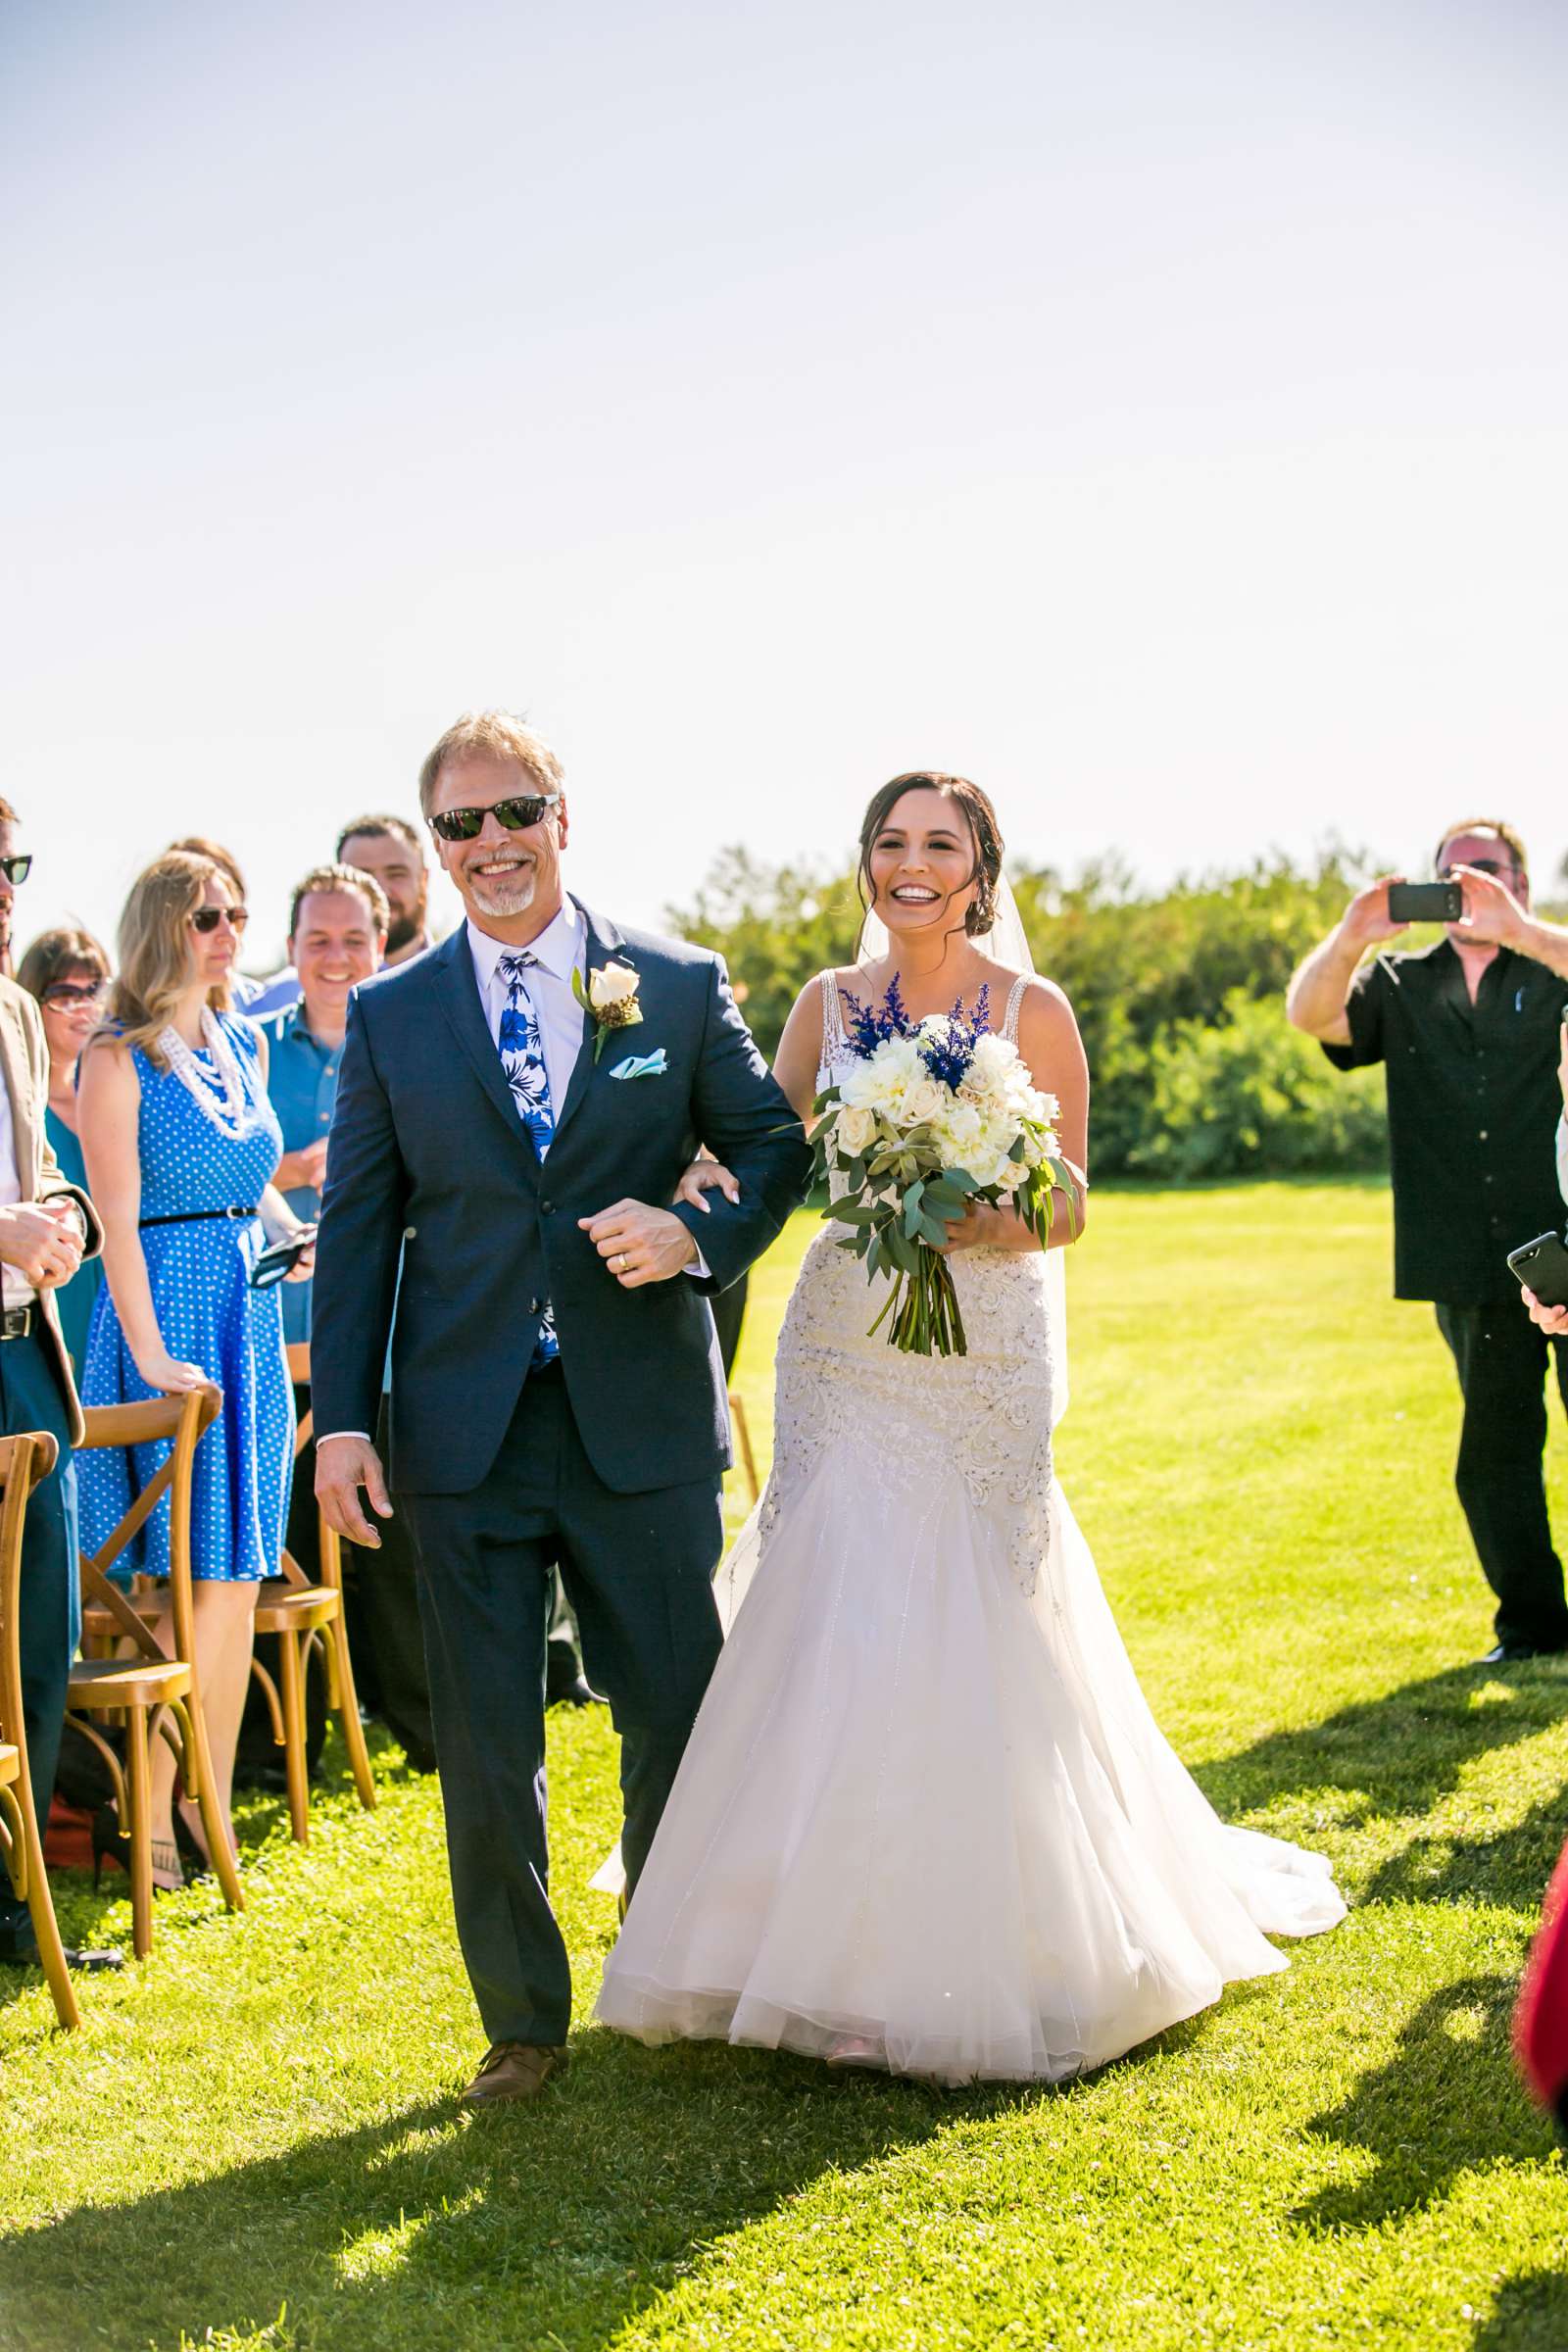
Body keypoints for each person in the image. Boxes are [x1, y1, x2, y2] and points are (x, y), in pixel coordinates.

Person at [597, 772, 1346, 2087]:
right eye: (890, 843)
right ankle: (806, 1945)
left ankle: (993, 1935)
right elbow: (773, 1155)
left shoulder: (1030, 1010)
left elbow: (1067, 1204)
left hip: (984, 1334)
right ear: (867, 866)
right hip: (847, 1330)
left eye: (939, 844)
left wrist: (969, 1214)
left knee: (983, 1599)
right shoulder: (825, 1005)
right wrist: (697, 1185)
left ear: (982, 867)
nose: (911, 865)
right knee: (828, 1590)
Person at [310, 708, 810, 2106]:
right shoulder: (399, 1013)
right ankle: (523, 2024)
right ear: (440, 847)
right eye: (459, 825)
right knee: (487, 1743)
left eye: (512, 813)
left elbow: (774, 1144)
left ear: (561, 819)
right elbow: (357, 1226)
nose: (489, 845)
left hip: (637, 1411)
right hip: (463, 1430)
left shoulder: (673, 975)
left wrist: (693, 1233)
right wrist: (344, 1417)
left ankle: (667, 1972)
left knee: (674, 1712)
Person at [76, 852, 315, 1889]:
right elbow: (115, 1222)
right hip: (163, 1319)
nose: (230, 932)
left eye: (238, 915)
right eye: (208, 916)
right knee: (174, 1593)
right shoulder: (114, 1057)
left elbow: (245, 1181)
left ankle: (204, 1807)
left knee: (233, 1582)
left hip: (246, 1317)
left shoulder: (240, 1039)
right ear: (162, 926)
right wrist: (145, 1354)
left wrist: (291, 1230)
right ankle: (158, 1826)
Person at [1288, 821, 1568, 1663]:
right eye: (1450, 873)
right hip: (1465, 1252)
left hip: (1561, 1239)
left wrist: (1519, 930)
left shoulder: (1548, 964)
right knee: (1495, 1451)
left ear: (1518, 878)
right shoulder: (1400, 981)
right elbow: (1313, 1017)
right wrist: (1349, 937)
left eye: (1486, 870)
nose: (1466, 884)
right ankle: (1533, 1628)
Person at [0, 802, 118, 1979]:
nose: (1, 888)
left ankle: (16, 1902)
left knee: (38, 1640)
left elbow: (38, 1166)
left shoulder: (18, 1016)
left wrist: (66, 1218)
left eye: (10, 868)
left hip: (23, 1358)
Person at [16, 927, 110, 1378]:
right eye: (65, 994)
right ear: (33, 1000)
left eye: (94, 990)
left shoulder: (122, 1097)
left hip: (124, 1312)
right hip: (52, 1313)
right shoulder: (19, 1115)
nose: (84, 1007)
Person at [168, 838, 302, 1019]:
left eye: (233, 915)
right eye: (206, 917)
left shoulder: (265, 1008)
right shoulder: (125, 1023)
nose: (226, 931)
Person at [336, 814, 435, 968]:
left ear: (423, 880)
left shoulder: (471, 976)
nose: (381, 891)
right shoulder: (293, 990)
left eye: (396, 874)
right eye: (362, 876)